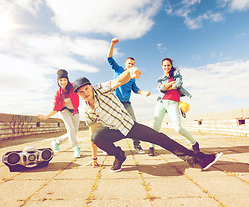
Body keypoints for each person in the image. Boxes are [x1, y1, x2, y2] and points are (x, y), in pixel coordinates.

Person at [72, 67, 223, 173]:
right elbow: (93, 133)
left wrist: (130, 71)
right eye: (80, 92)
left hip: (129, 125)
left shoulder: (101, 88)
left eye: (86, 89)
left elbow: (118, 81)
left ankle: (198, 160)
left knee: (161, 138)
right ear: (78, 94)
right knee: (96, 136)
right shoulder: (86, 109)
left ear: (91, 87)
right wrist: (94, 158)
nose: (84, 93)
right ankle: (119, 155)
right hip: (114, 131)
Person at [107, 38, 151, 154]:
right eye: (129, 63)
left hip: (126, 103)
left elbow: (135, 89)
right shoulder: (119, 69)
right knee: (110, 124)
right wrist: (112, 44)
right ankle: (107, 146)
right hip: (115, 102)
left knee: (133, 124)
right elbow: (109, 58)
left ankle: (137, 145)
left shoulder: (132, 78)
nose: (130, 65)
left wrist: (144, 92)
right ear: (125, 65)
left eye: (132, 64)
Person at [148, 58, 199, 156]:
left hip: (173, 103)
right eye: (164, 65)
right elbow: (160, 89)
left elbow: (178, 84)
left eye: (168, 65)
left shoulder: (176, 74)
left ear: (171, 66)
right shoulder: (160, 79)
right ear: (162, 67)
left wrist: (167, 86)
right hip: (161, 102)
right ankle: (151, 147)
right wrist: (171, 84)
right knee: (156, 126)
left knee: (178, 128)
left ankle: (194, 143)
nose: (166, 67)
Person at [38, 69, 81, 158]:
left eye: (65, 80)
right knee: (70, 127)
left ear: (67, 80)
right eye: (61, 80)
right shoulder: (58, 93)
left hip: (75, 111)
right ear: (58, 81)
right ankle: (76, 148)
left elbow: (83, 89)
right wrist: (46, 117)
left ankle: (56, 142)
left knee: (73, 132)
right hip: (64, 110)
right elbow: (55, 108)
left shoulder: (74, 87)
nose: (63, 82)